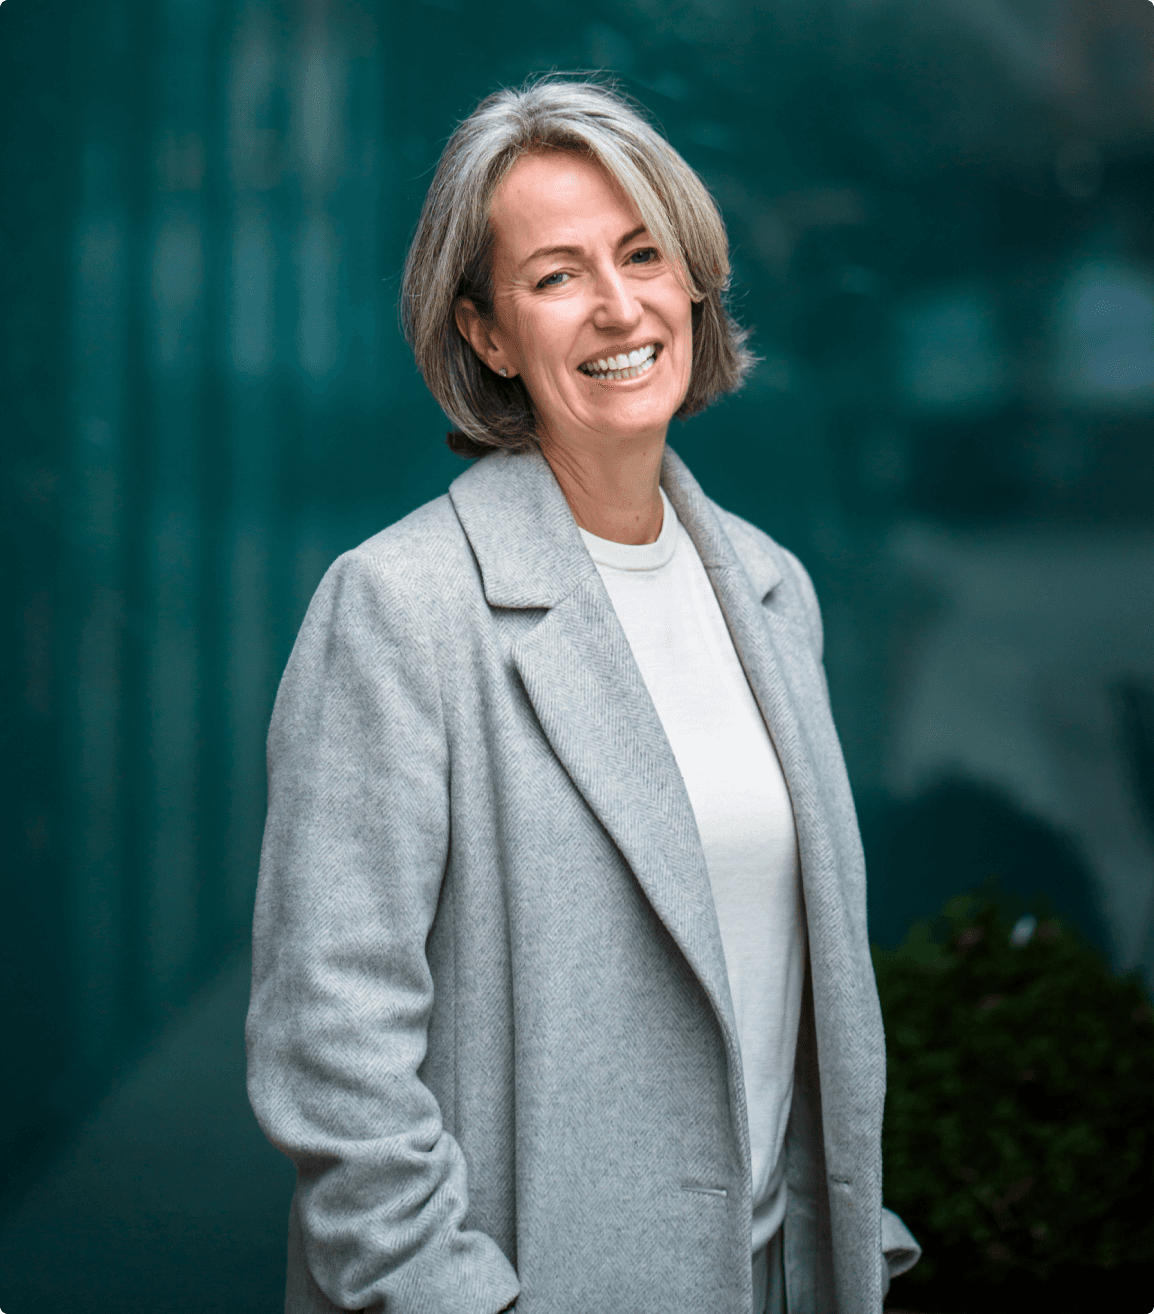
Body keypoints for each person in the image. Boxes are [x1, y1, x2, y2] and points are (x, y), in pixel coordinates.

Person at [246, 76, 920, 1314]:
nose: (618, 306)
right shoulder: (399, 607)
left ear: (693, 281)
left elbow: (795, 996)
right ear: (487, 335)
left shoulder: (772, 592)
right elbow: (329, 1048)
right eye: (555, 276)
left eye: (641, 254)